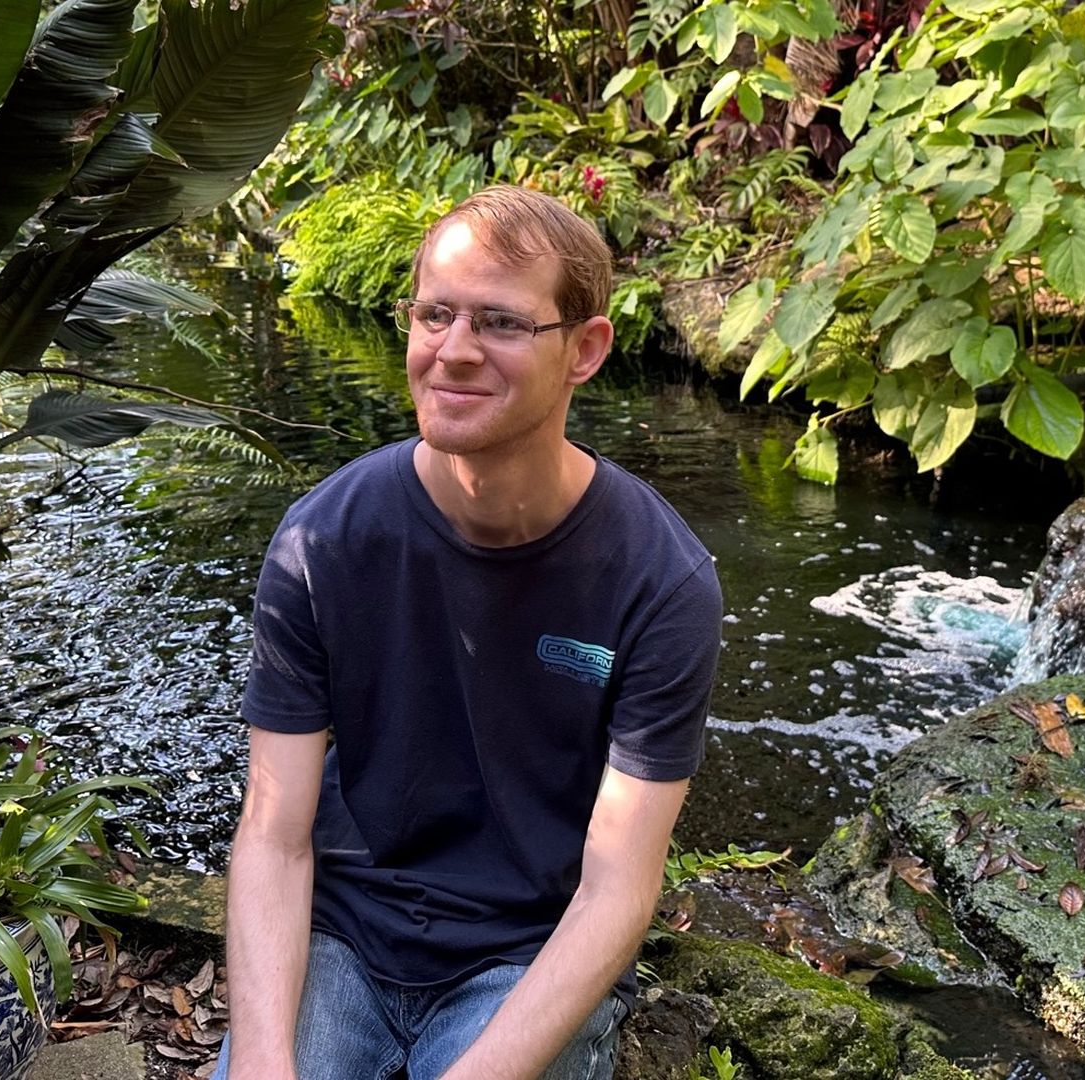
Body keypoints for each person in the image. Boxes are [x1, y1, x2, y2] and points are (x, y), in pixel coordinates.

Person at [218, 185, 722, 1080]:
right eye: (435, 314)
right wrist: (262, 1061)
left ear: (585, 350)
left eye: (500, 322)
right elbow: (274, 832)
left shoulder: (661, 580)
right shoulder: (323, 541)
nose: (453, 350)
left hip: (528, 952)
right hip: (342, 935)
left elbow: (616, 887)